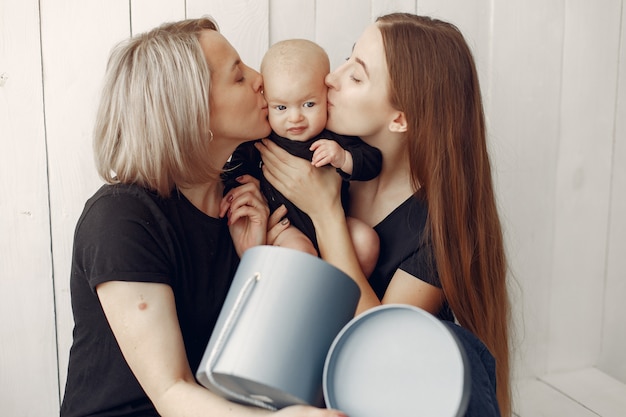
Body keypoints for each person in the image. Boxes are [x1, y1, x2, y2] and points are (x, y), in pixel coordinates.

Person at [60, 17, 346, 417]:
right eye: (237, 76)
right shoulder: (121, 218)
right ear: (189, 107)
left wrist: (256, 262)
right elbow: (171, 391)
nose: (259, 78)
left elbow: (263, 366)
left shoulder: (249, 199)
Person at [258, 13, 511, 417]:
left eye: (356, 77)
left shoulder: (438, 227)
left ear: (400, 118)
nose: (330, 79)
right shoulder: (321, 159)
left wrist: (326, 216)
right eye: (346, 59)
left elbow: (380, 348)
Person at [223, 38, 381, 275]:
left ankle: (344, 302)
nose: (295, 118)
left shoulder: (334, 137)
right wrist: (246, 185)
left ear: (326, 95)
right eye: (281, 108)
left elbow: (373, 161)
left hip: (335, 222)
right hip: (287, 226)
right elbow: (232, 173)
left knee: (366, 241)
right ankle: (312, 302)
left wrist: (343, 158)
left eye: (308, 104)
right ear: (267, 101)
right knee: (300, 253)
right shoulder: (260, 140)